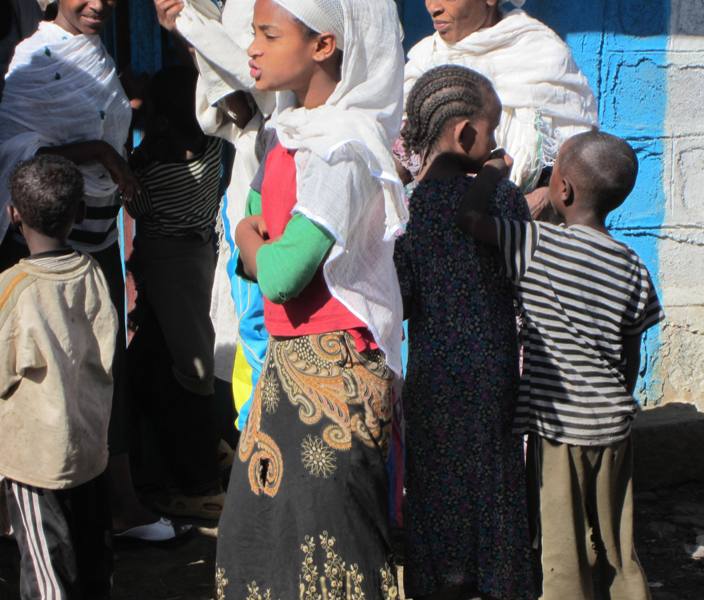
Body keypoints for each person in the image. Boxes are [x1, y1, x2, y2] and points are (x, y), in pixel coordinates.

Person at [214, 0, 408, 597]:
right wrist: (253, 238)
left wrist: (249, 239)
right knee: (262, 536)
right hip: (288, 366)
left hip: (337, 374)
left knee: (332, 544)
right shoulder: (290, 133)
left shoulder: (340, 147)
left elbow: (280, 273)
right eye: (253, 34)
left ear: (323, 45)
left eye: (269, 35)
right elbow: (253, 226)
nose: (253, 49)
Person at [457, 130, 664, 600]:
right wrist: (615, 401)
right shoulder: (632, 264)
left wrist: (492, 172)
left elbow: (469, 220)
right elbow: (630, 352)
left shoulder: (535, 244)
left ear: (563, 190)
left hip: (560, 432)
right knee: (615, 539)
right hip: (614, 427)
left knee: (562, 545)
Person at [0, 0, 179, 540]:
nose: (99, 4)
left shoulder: (95, 55)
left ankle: (117, 502)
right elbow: (17, 152)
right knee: (45, 370)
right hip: (41, 247)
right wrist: (100, 152)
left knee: (104, 365)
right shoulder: (32, 62)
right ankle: (33, 508)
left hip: (96, 233)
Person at [394, 65, 535, 600]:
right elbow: (525, 279)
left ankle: (438, 585)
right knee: (495, 487)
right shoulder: (501, 199)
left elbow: (402, 300)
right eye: (492, 129)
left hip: (430, 378)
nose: (496, 143)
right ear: (465, 134)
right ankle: (499, 584)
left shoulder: (406, 209)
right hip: (494, 375)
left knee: (433, 489)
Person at [153, 0, 273, 440]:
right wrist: (196, 34)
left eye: (268, 38)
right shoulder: (256, 145)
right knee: (251, 346)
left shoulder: (329, 141)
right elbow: (243, 107)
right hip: (248, 206)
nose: (255, 53)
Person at [0, 155, 116, 599]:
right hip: (89, 450)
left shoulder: (15, 288)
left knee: (48, 575)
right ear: (81, 214)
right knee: (92, 565)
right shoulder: (94, 274)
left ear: (13, 214)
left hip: (37, 465)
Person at [125, 65, 225, 519]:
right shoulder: (214, 154)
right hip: (200, 257)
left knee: (189, 368)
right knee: (158, 357)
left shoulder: (149, 165)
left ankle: (200, 478)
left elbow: (135, 205)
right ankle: (205, 454)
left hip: (165, 267)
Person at [402, 0, 598, 216]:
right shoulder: (424, 61)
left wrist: (544, 198)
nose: (433, 7)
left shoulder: (543, 54)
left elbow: (578, 159)